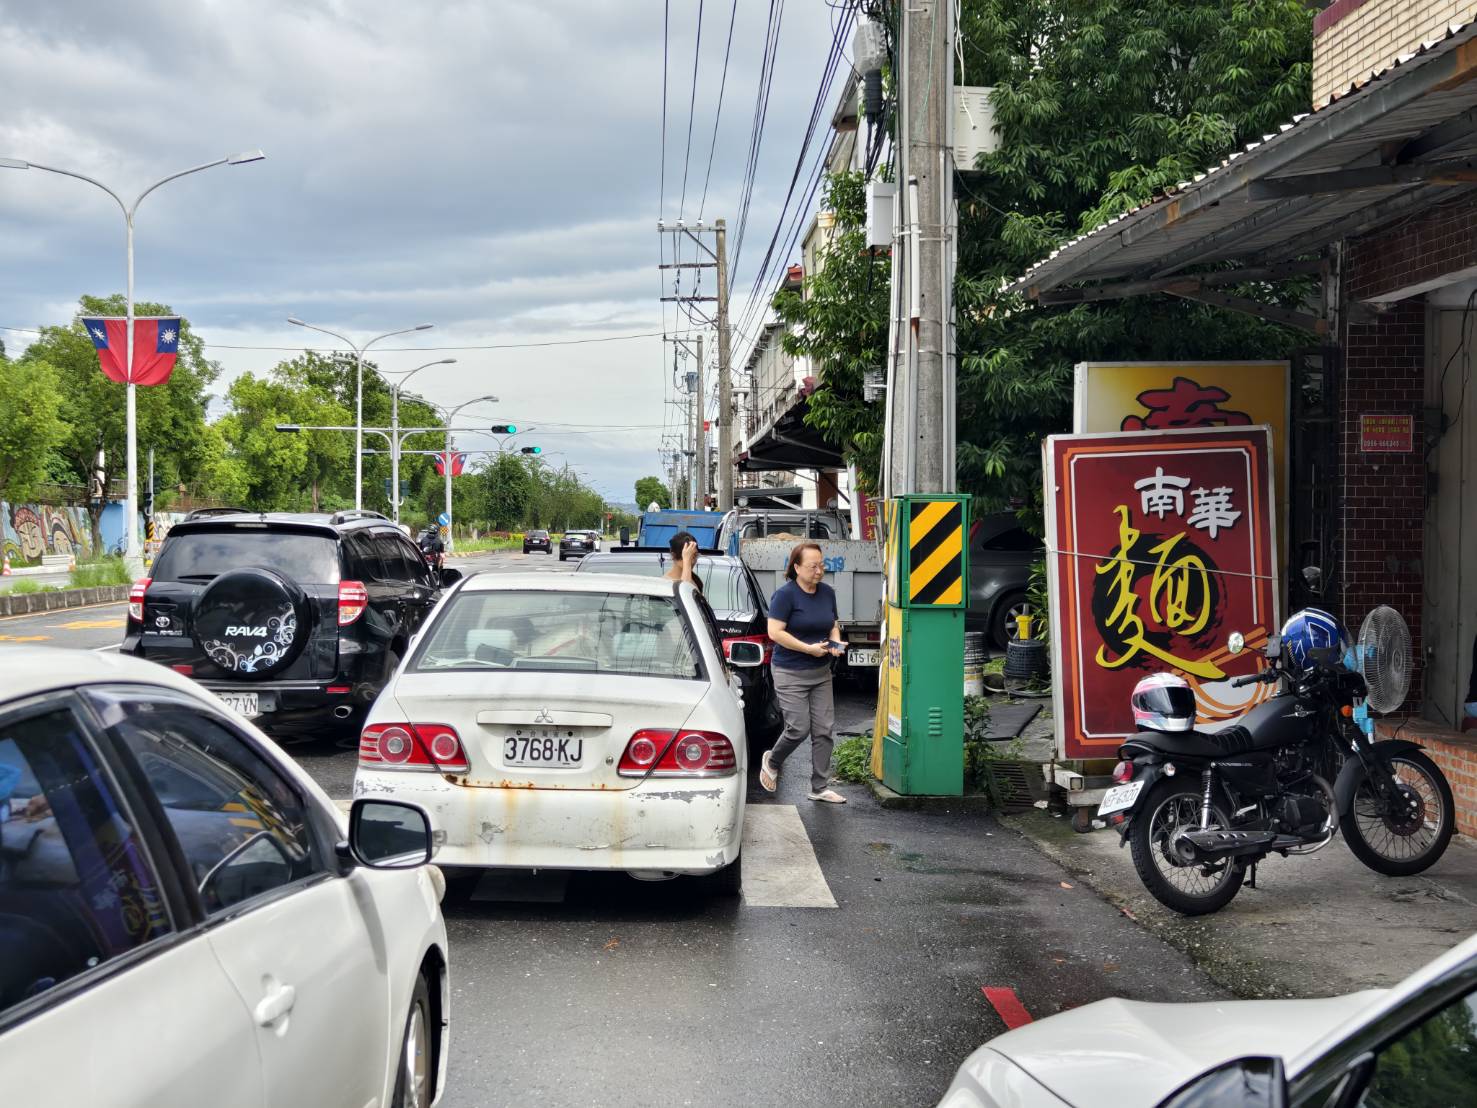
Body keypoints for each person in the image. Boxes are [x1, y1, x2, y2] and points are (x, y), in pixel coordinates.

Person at [759, 541, 846, 803]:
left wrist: (835, 643)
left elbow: (832, 623)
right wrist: (808, 649)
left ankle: (819, 787)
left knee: (824, 730)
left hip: (820, 672)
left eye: (822, 565)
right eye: (813, 566)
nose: (819, 571)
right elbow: (775, 633)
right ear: (797, 567)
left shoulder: (827, 593)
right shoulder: (785, 596)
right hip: (790, 671)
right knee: (798, 729)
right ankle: (772, 761)